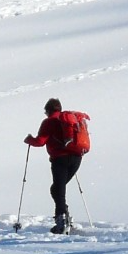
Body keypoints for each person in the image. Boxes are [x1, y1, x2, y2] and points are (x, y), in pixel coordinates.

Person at [24, 98, 87, 234]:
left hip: (60, 159)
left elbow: (40, 141)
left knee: (58, 190)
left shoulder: (49, 122)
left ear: (48, 111)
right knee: (57, 189)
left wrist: (29, 140)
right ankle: (64, 216)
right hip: (76, 158)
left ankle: (62, 221)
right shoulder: (70, 120)